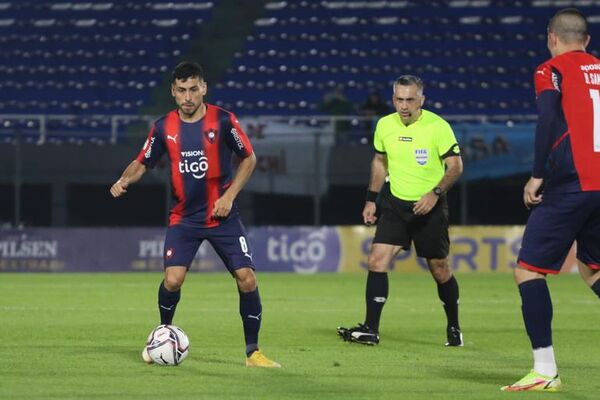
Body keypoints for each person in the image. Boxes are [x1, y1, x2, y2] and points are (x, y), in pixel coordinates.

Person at [110, 62, 280, 368]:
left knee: (247, 278)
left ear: (203, 88)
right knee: (173, 280)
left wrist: (228, 197)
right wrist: (124, 180)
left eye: (193, 89)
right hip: (185, 218)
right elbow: (141, 162)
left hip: (222, 215)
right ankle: (161, 336)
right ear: (173, 92)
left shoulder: (223, 120)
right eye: (181, 90)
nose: (187, 96)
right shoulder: (163, 127)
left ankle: (253, 353)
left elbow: (249, 158)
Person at [501, 8, 600, 392]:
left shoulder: (551, 70)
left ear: (552, 38)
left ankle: (545, 370)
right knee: (592, 269)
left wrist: (538, 173)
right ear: (587, 41)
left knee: (528, 271)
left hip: (572, 183)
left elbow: (546, 119)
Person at [337, 75, 464, 347]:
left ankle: (454, 327)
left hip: (429, 207)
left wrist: (435, 193)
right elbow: (380, 162)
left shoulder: (438, 127)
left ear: (421, 100)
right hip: (395, 204)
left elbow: (455, 166)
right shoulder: (384, 125)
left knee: (439, 269)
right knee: (376, 261)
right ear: (393, 98)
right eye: (399, 99)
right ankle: (371, 328)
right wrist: (371, 199)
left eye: (410, 99)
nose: (404, 106)